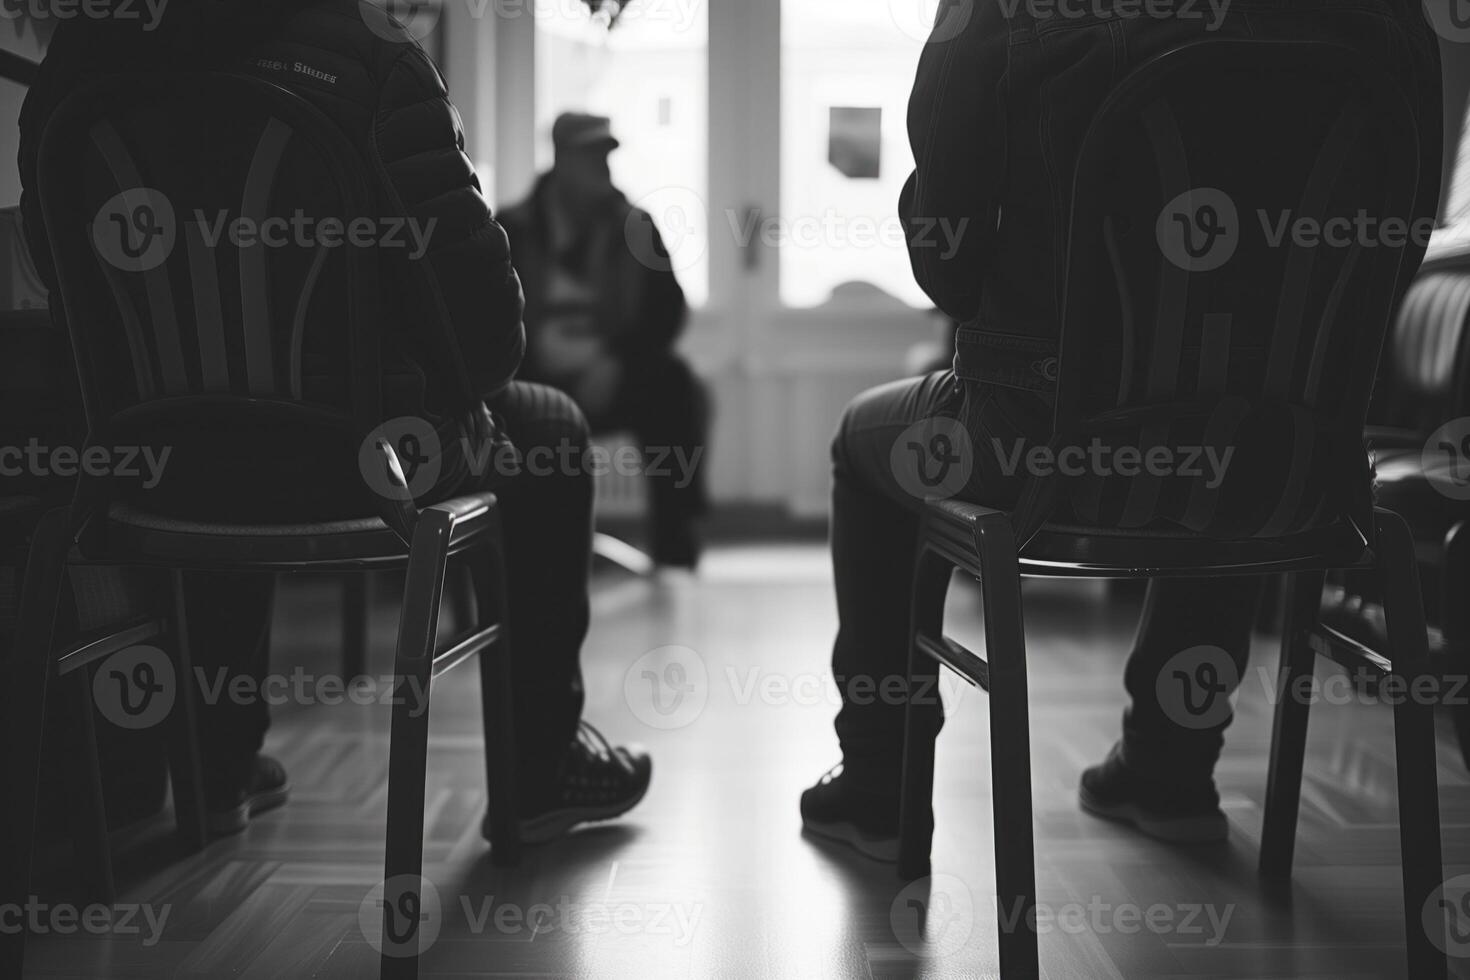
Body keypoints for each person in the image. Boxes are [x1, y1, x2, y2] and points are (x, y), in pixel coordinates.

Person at [801, 0, 1444, 858]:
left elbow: (946, 260)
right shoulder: (1394, 18)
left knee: (860, 441)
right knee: (1226, 412)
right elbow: (1395, 250)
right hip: (1294, 461)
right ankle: (1169, 769)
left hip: (1041, 447)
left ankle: (880, 784)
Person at [18, 0, 651, 843]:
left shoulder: (76, 60)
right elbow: (488, 339)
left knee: (214, 433)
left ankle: (215, 768)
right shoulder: (370, 59)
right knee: (550, 429)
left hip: (147, 461)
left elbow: (59, 275)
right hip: (358, 461)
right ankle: (539, 773)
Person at [499, 114, 710, 569]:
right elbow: (488, 319)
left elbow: (666, 312)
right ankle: (521, 554)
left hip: (613, 378)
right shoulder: (510, 228)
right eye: (590, 156)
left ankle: (675, 551)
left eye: (606, 155)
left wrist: (616, 361)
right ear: (561, 160)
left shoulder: (637, 226)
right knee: (495, 406)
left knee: (675, 386)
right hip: (532, 379)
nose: (602, 166)